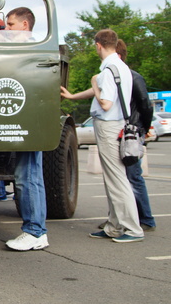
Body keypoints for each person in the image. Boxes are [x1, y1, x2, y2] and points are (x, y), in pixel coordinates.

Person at [61, 39, 156, 231]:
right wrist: (76, 94)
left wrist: (94, 82)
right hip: (120, 126)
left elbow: (106, 102)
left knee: (120, 180)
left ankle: (132, 226)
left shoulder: (109, 70)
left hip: (110, 125)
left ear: (99, 45)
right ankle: (117, 224)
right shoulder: (123, 70)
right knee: (120, 178)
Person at [0, 7, 49, 251]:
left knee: (27, 177)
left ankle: (35, 231)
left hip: (28, 122)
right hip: (26, 121)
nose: (6, 29)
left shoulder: (32, 50)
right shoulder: (32, 48)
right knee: (31, 176)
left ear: (25, 25)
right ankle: (37, 230)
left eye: (10, 25)